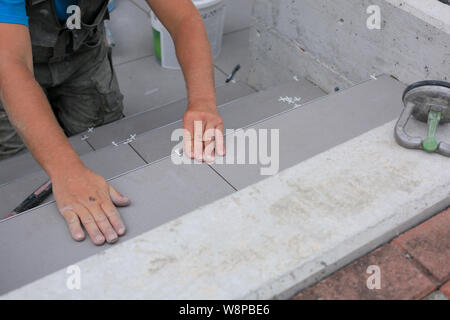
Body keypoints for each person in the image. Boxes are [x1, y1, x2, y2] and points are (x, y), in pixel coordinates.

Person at [0, 0, 225, 245]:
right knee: (21, 171)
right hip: (8, 56)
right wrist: (66, 170)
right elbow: (12, 65)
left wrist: (202, 100)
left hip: (83, 52)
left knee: (110, 149)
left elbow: (183, 17)